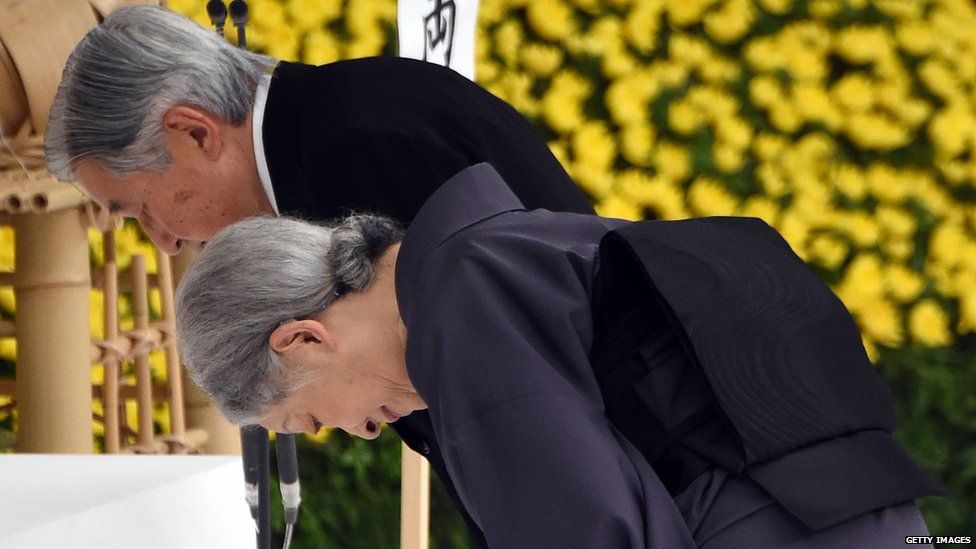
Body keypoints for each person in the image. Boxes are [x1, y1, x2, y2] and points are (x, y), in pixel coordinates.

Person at [176, 163, 943, 548]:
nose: (362, 431)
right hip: (855, 510)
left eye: (308, 416)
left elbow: (587, 532)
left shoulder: (458, 313)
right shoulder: (498, 245)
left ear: (303, 338)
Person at [45, 6, 590, 544]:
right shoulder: (326, 127)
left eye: (141, 207)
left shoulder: (356, 146)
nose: (161, 240)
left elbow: (512, 386)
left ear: (194, 133)